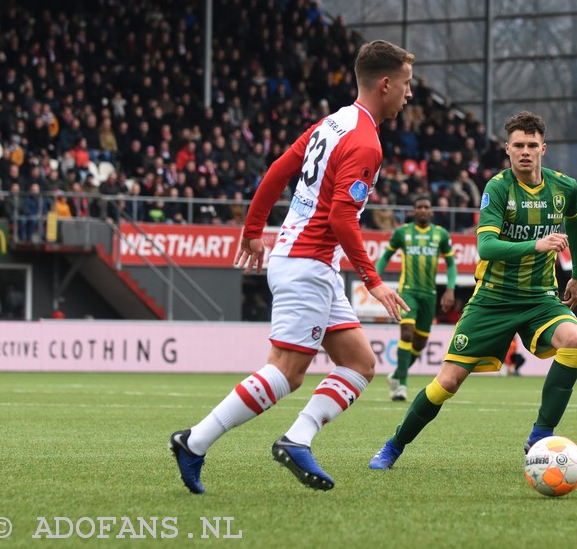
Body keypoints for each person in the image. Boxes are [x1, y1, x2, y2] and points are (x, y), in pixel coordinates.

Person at [169, 40, 415, 493]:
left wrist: (252, 229)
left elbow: (279, 169)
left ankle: (297, 439)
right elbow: (342, 217)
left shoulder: (333, 123)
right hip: (308, 263)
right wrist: (374, 281)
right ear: (386, 84)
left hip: (302, 257)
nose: (409, 93)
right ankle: (194, 442)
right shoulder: (365, 142)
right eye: (406, 84)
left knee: (359, 364)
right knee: (286, 371)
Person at [368, 110, 577, 470]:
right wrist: (537, 245)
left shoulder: (564, 187)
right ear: (507, 149)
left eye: (532, 145)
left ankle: (539, 435)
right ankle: (393, 446)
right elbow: (486, 248)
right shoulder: (498, 188)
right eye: (518, 145)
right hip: (493, 300)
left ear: (543, 148)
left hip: (540, 298)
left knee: (575, 341)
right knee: (447, 383)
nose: (525, 152)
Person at [375, 195, 457, 401]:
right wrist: (373, 281)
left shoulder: (440, 234)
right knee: (407, 334)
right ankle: (401, 386)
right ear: (414, 211)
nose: (422, 210)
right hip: (408, 291)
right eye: (418, 206)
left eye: (426, 207)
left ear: (430, 211)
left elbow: (451, 264)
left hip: (429, 294)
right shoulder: (402, 232)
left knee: (419, 344)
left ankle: (396, 374)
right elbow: (385, 257)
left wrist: (450, 289)